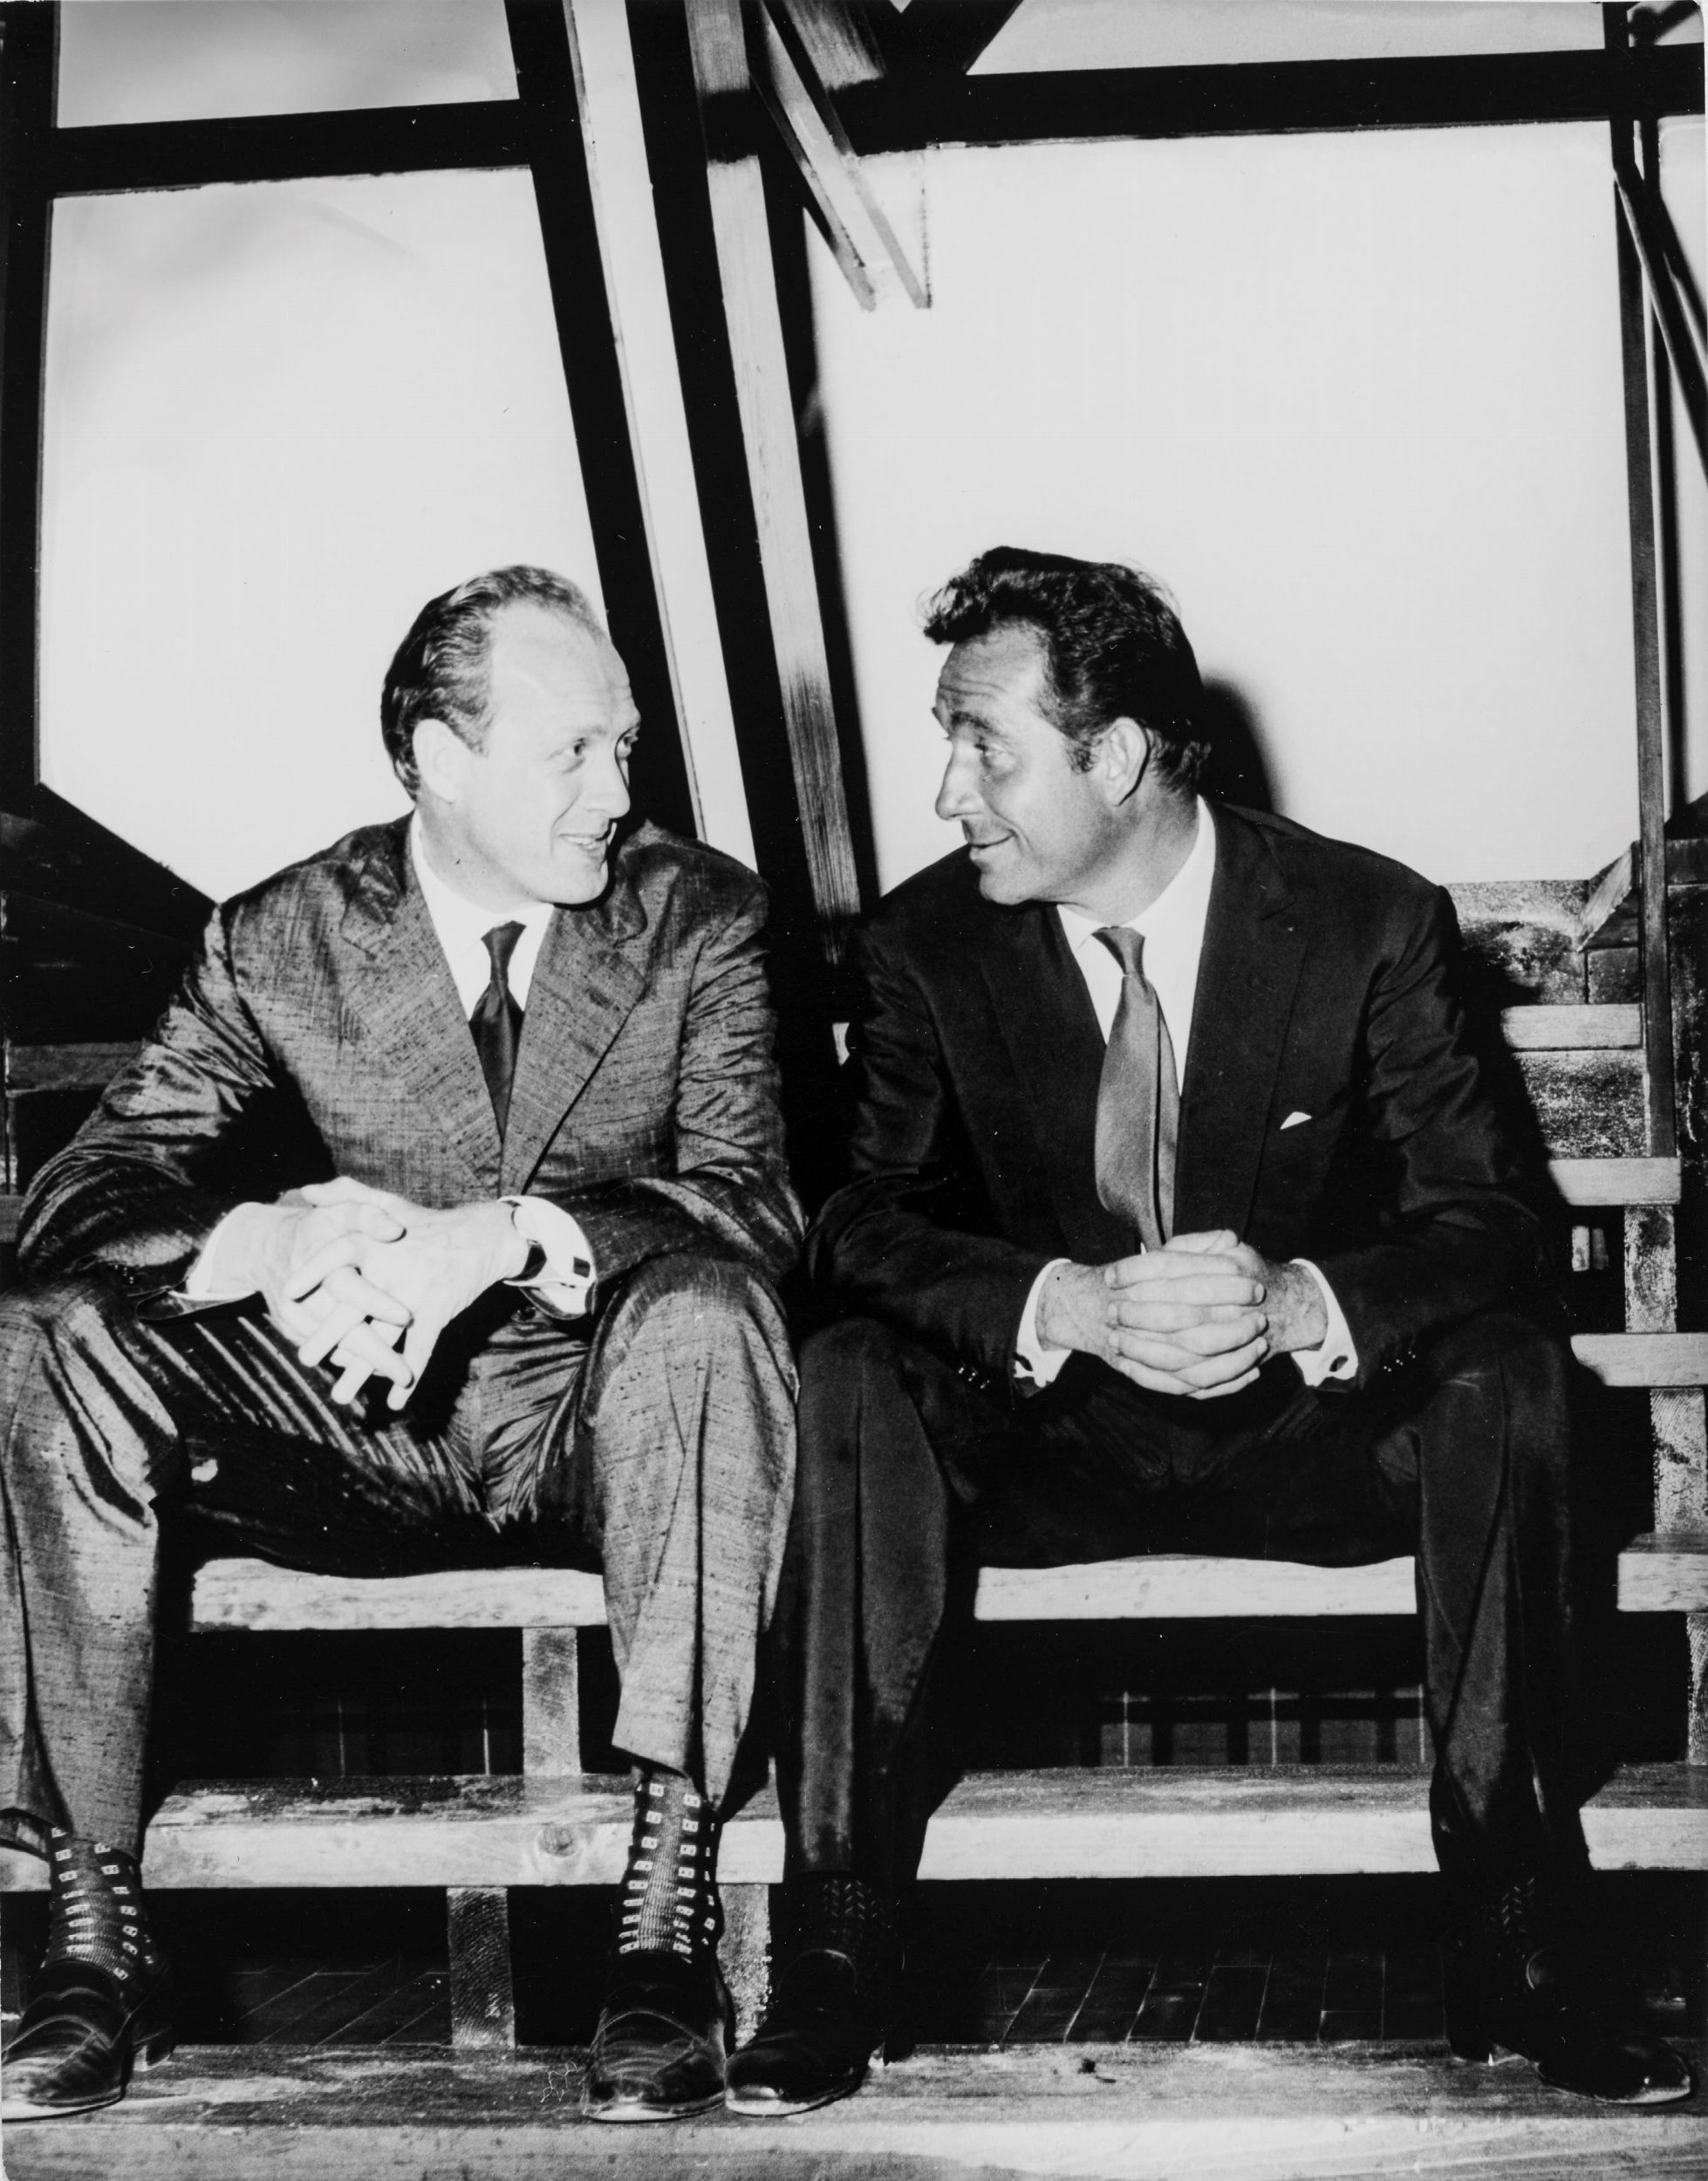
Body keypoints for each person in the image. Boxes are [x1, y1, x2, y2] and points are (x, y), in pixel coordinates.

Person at [723, 547, 1692, 2116]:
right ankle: (838, 1940)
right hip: (1050, 1442)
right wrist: (1059, 1303)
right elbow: (853, 1223)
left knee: (1510, 1372)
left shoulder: (1365, 918)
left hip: (1306, 1440)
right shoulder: (924, 946)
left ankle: (1521, 1923)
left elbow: (1494, 1221)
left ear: (1113, 756)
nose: (948, 791)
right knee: (847, 1371)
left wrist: (1305, 1300)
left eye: (982, 746)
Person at [0, 565, 801, 2124]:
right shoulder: (280, 934)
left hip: (600, 1420)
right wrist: (266, 1240)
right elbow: (87, 1193)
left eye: (623, 749)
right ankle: (97, 1935)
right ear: (437, 757)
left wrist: (505, 1233)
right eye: (572, 752)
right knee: (44, 1335)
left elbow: (753, 1203)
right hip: (354, 1427)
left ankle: (661, 1928)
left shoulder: (699, 914)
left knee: (713, 1313)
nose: (614, 792)